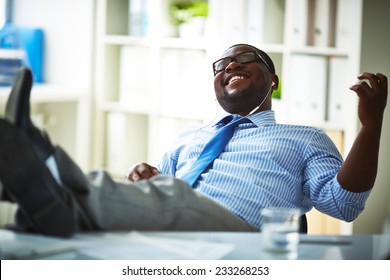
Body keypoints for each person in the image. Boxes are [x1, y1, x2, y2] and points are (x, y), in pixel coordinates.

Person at [0, 44, 387, 238]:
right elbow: (154, 195)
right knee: (94, 218)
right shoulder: (190, 139)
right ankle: (35, 205)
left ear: (274, 81)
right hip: (177, 224)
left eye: (245, 58)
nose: (231, 65)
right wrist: (143, 176)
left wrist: (370, 127)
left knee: (175, 197)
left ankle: (40, 160)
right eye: (221, 66)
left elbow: (345, 204)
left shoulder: (304, 138)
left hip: (241, 235)